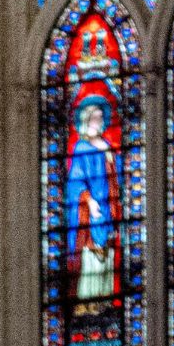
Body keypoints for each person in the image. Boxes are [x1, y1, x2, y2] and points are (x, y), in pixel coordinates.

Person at [59, 87, 117, 303]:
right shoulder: (81, 147)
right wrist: (89, 200)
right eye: (95, 118)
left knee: (108, 249)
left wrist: (110, 159)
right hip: (91, 207)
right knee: (92, 249)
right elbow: (76, 180)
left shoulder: (106, 146)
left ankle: (105, 298)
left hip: (108, 204)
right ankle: (87, 302)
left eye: (102, 118)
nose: (99, 121)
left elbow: (115, 176)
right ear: (87, 120)